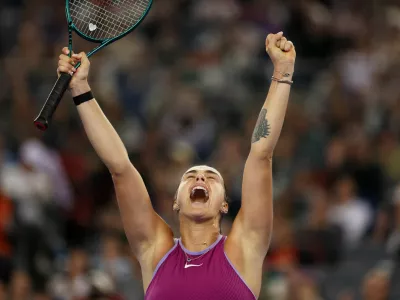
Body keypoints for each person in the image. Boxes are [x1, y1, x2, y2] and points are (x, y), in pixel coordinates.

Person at [56, 31, 296, 299]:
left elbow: (261, 154)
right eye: (190, 176)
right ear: (175, 201)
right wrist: (80, 88)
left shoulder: (246, 246)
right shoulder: (154, 249)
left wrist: (283, 71)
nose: (200, 179)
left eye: (211, 177)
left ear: (224, 205)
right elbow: (120, 168)